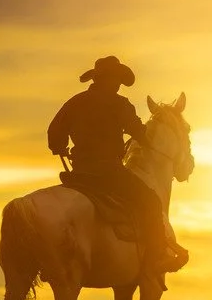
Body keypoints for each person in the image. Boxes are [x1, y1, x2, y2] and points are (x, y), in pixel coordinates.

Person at [47, 55, 183, 275]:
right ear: (109, 80)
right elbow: (137, 131)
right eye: (117, 80)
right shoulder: (119, 104)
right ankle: (157, 257)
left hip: (79, 173)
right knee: (151, 201)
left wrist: (60, 147)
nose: (119, 85)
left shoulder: (75, 102)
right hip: (110, 172)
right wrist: (147, 140)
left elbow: (54, 133)